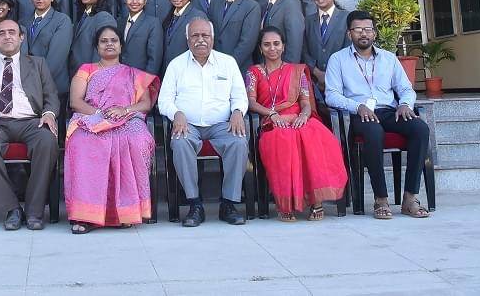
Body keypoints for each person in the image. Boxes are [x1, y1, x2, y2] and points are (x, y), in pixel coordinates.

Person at [325, 11, 432, 221]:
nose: (363, 33)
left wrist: (404, 104)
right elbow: (332, 95)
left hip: (389, 110)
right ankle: (380, 198)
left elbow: (406, 89)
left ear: (375, 33)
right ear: (349, 34)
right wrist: (358, 107)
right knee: (373, 133)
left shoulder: (388, 58)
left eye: (368, 29)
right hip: (360, 115)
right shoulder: (338, 60)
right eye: (358, 30)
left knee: (420, 128)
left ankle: (410, 197)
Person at [0, 20, 61, 230]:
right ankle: (11, 209)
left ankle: (34, 211)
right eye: (2, 33)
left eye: (12, 32)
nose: (7, 36)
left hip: (31, 122)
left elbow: (51, 96)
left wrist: (48, 114)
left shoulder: (38, 63)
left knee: (47, 141)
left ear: (22, 37)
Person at [64, 24, 157, 232]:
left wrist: (124, 110)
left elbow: (145, 104)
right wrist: (100, 115)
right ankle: (86, 216)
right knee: (82, 141)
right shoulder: (85, 70)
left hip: (125, 118)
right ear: (97, 47)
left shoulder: (133, 74)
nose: (109, 44)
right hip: (92, 116)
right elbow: (76, 102)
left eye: (113, 40)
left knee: (137, 139)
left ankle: (125, 212)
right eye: (104, 41)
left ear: (121, 47)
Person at [247, 28, 346, 221]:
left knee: (317, 136)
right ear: (260, 48)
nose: (272, 48)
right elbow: (251, 102)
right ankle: (286, 204)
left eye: (276, 44)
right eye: (267, 44)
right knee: (283, 141)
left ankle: (316, 201)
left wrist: (304, 115)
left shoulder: (297, 70)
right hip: (272, 120)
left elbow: (306, 101)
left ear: (283, 46)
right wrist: (272, 113)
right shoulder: (254, 72)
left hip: (298, 117)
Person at [159, 17, 249, 227]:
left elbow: (240, 96)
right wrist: (176, 113)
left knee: (238, 142)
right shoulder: (176, 65)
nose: (201, 40)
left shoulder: (228, 63)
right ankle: (195, 204)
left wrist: (237, 111)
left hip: (221, 125)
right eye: (195, 36)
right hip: (187, 124)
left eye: (205, 35)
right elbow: (164, 100)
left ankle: (228, 203)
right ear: (188, 39)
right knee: (180, 144)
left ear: (213, 38)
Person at [21, 0, 75, 95]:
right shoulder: (24, 21)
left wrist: (37, 82)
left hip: (53, 86)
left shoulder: (62, 20)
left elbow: (56, 58)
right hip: (27, 86)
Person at [303, 0, 349, 102]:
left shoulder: (347, 18)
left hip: (341, 80)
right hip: (315, 81)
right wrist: (317, 72)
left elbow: (348, 49)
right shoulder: (307, 20)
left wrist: (329, 75)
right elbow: (304, 50)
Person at [210, 0, 261, 68]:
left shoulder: (251, 6)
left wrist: (228, 66)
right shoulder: (215, 4)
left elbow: (247, 43)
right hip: (215, 66)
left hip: (239, 67)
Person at [70, 0, 118, 74]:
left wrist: (93, 77)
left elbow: (104, 53)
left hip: (92, 77)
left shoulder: (104, 18)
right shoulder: (83, 16)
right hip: (78, 74)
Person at [161, 0, 207, 70]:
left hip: (188, 70)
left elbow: (202, 49)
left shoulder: (197, 16)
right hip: (170, 70)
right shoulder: (170, 16)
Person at [119, 0, 162, 76]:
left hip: (141, 79)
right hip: (120, 77)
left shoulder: (153, 23)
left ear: (145, 1)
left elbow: (154, 58)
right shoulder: (120, 22)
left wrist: (144, 83)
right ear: (125, 0)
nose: (134, 1)